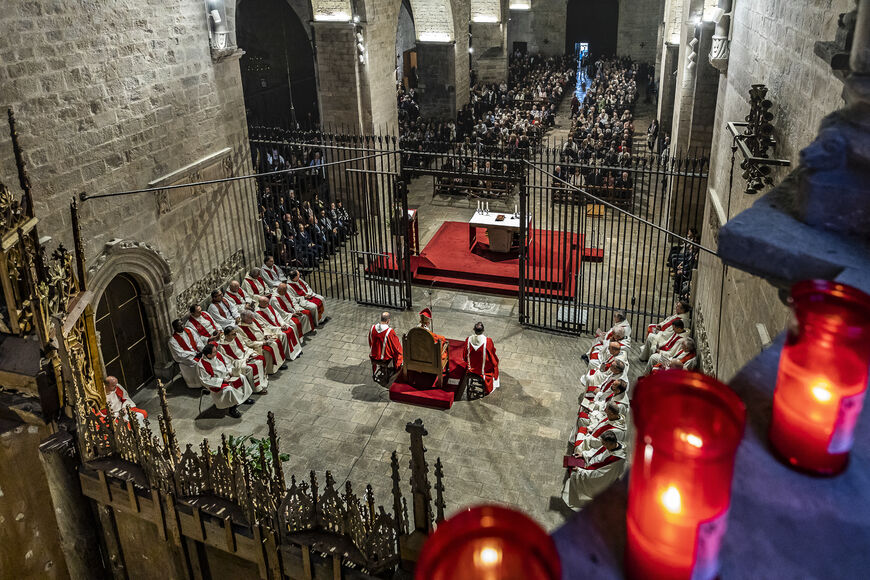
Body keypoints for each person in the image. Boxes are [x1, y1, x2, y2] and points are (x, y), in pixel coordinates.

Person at [561, 430, 627, 510]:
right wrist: (584, 454)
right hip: (594, 465)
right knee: (575, 458)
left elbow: (599, 474)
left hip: (600, 478)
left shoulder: (615, 461)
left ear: (610, 443)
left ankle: (574, 500)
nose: (603, 445)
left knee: (574, 475)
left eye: (604, 444)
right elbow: (598, 451)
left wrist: (580, 470)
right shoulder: (614, 445)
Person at [196, 343, 253, 418]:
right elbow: (206, 380)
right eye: (214, 352)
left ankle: (244, 398)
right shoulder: (201, 365)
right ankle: (232, 408)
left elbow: (228, 363)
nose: (217, 352)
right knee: (229, 389)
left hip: (227, 375)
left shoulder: (218, 354)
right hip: (217, 383)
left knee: (241, 377)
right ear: (209, 355)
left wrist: (230, 372)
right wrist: (222, 381)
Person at [217, 325, 269, 393]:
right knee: (251, 368)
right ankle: (256, 388)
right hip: (237, 362)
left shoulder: (237, 337)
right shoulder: (222, 346)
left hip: (245, 355)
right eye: (233, 334)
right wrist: (243, 360)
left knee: (260, 359)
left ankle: (262, 381)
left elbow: (244, 347)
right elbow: (228, 361)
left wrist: (250, 354)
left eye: (235, 333)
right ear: (227, 335)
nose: (235, 335)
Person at [238, 310, 288, 374]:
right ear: (244, 319)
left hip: (264, 339)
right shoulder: (240, 328)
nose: (252, 318)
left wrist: (266, 335)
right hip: (257, 345)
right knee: (268, 350)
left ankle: (278, 364)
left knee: (276, 342)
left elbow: (262, 328)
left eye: (252, 316)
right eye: (250, 317)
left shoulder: (253, 321)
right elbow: (248, 343)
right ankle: (270, 369)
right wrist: (262, 343)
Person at [254, 296, 303, 361]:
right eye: (265, 303)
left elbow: (278, 316)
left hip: (279, 326)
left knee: (291, 328)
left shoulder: (269, 306)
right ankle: (288, 354)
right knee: (284, 335)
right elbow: (266, 326)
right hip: (272, 330)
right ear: (260, 303)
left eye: (268, 302)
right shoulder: (257, 313)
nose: (268, 304)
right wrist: (279, 328)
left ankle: (296, 350)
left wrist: (283, 324)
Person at [463, 321, 500, 393]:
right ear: (483, 330)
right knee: (494, 365)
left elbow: (464, 355)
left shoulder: (468, 340)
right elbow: (492, 354)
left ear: (474, 329)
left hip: (471, 368)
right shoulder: (487, 341)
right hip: (483, 370)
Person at [169, 318, 204, 388]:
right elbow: (180, 354)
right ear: (174, 328)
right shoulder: (172, 341)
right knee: (198, 364)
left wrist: (202, 350)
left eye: (182, 324)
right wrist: (194, 355)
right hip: (187, 358)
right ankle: (200, 384)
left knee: (208, 356)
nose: (182, 326)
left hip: (197, 353)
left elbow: (198, 341)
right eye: (179, 326)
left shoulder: (189, 330)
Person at [369, 311, 403, 379]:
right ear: (388, 321)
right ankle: (395, 370)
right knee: (398, 353)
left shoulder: (372, 328)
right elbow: (395, 345)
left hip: (374, 354)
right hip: (384, 357)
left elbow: (370, 341)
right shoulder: (389, 331)